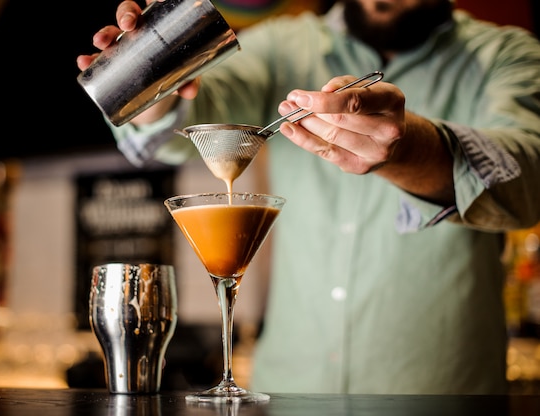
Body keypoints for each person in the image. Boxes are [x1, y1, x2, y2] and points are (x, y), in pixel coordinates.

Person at [77, 0, 540, 394]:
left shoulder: (507, 53)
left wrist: (414, 149)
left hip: (439, 394)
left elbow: (528, 179)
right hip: (288, 393)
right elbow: (192, 115)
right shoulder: (282, 47)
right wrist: (151, 77)